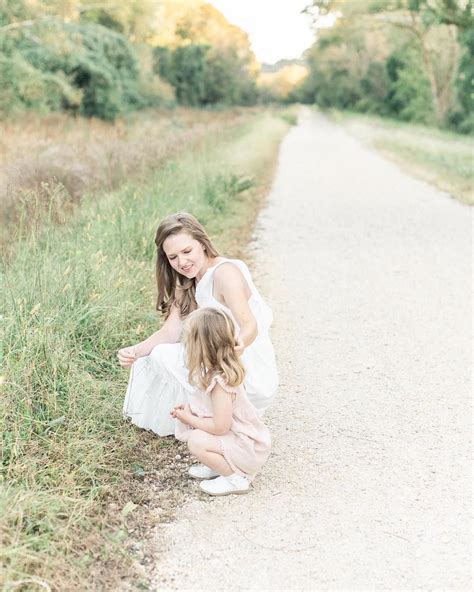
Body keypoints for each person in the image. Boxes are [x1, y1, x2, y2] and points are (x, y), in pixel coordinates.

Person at [118, 211, 278, 436]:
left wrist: (237, 345)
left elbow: (250, 325)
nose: (182, 262)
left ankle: (221, 422)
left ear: (202, 243)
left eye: (187, 251)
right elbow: (170, 332)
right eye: (173, 257)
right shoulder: (187, 283)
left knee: (176, 357)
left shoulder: (225, 274)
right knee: (155, 354)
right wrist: (135, 350)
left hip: (244, 362)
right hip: (217, 358)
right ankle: (207, 422)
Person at [171, 307, 271, 496]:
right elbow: (212, 412)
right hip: (239, 443)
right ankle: (220, 466)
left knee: (196, 441)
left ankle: (235, 477)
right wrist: (190, 411)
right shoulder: (214, 373)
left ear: (201, 347)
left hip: (247, 448)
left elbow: (220, 427)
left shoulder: (220, 384)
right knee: (199, 436)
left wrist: (188, 419)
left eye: (189, 342)